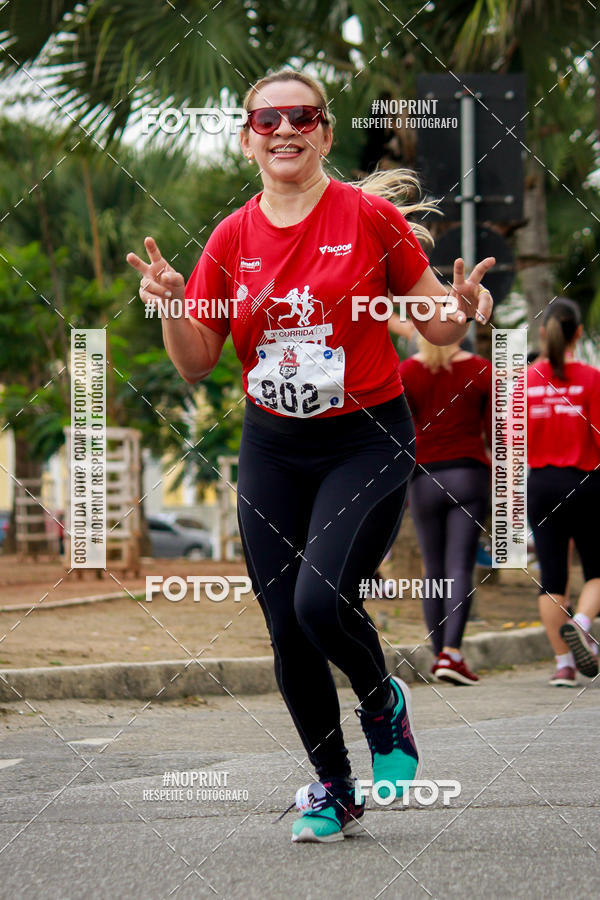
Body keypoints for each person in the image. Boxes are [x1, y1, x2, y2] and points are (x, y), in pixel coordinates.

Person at [126, 69, 494, 843]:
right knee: (286, 628)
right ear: (247, 138)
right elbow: (196, 360)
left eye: (303, 116)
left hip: (366, 438)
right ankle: (333, 787)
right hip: (274, 447)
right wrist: (168, 306)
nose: (284, 129)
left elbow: (436, 330)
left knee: (320, 603)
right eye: (267, 119)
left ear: (325, 132)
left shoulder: (368, 216)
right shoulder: (231, 237)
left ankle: (382, 702)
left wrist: (460, 309)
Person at [399, 335, 492, 684]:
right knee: (459, 567)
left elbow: (401, 430)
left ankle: (440, 655)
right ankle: (452, 654)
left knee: (433, 570)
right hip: (468, 474)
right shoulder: (481, 370)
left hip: (425, 478)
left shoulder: (405, 372)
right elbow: (493, 430)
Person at [526, 298, 600, 686]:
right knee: (596, 570)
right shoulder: (591, 378)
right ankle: (584, 626)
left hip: (539, 486)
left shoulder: (523, 381)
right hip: (586, 483)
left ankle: (563, 666)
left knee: (552, 577)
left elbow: (508, 443)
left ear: (544, 333)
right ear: (579, 334)